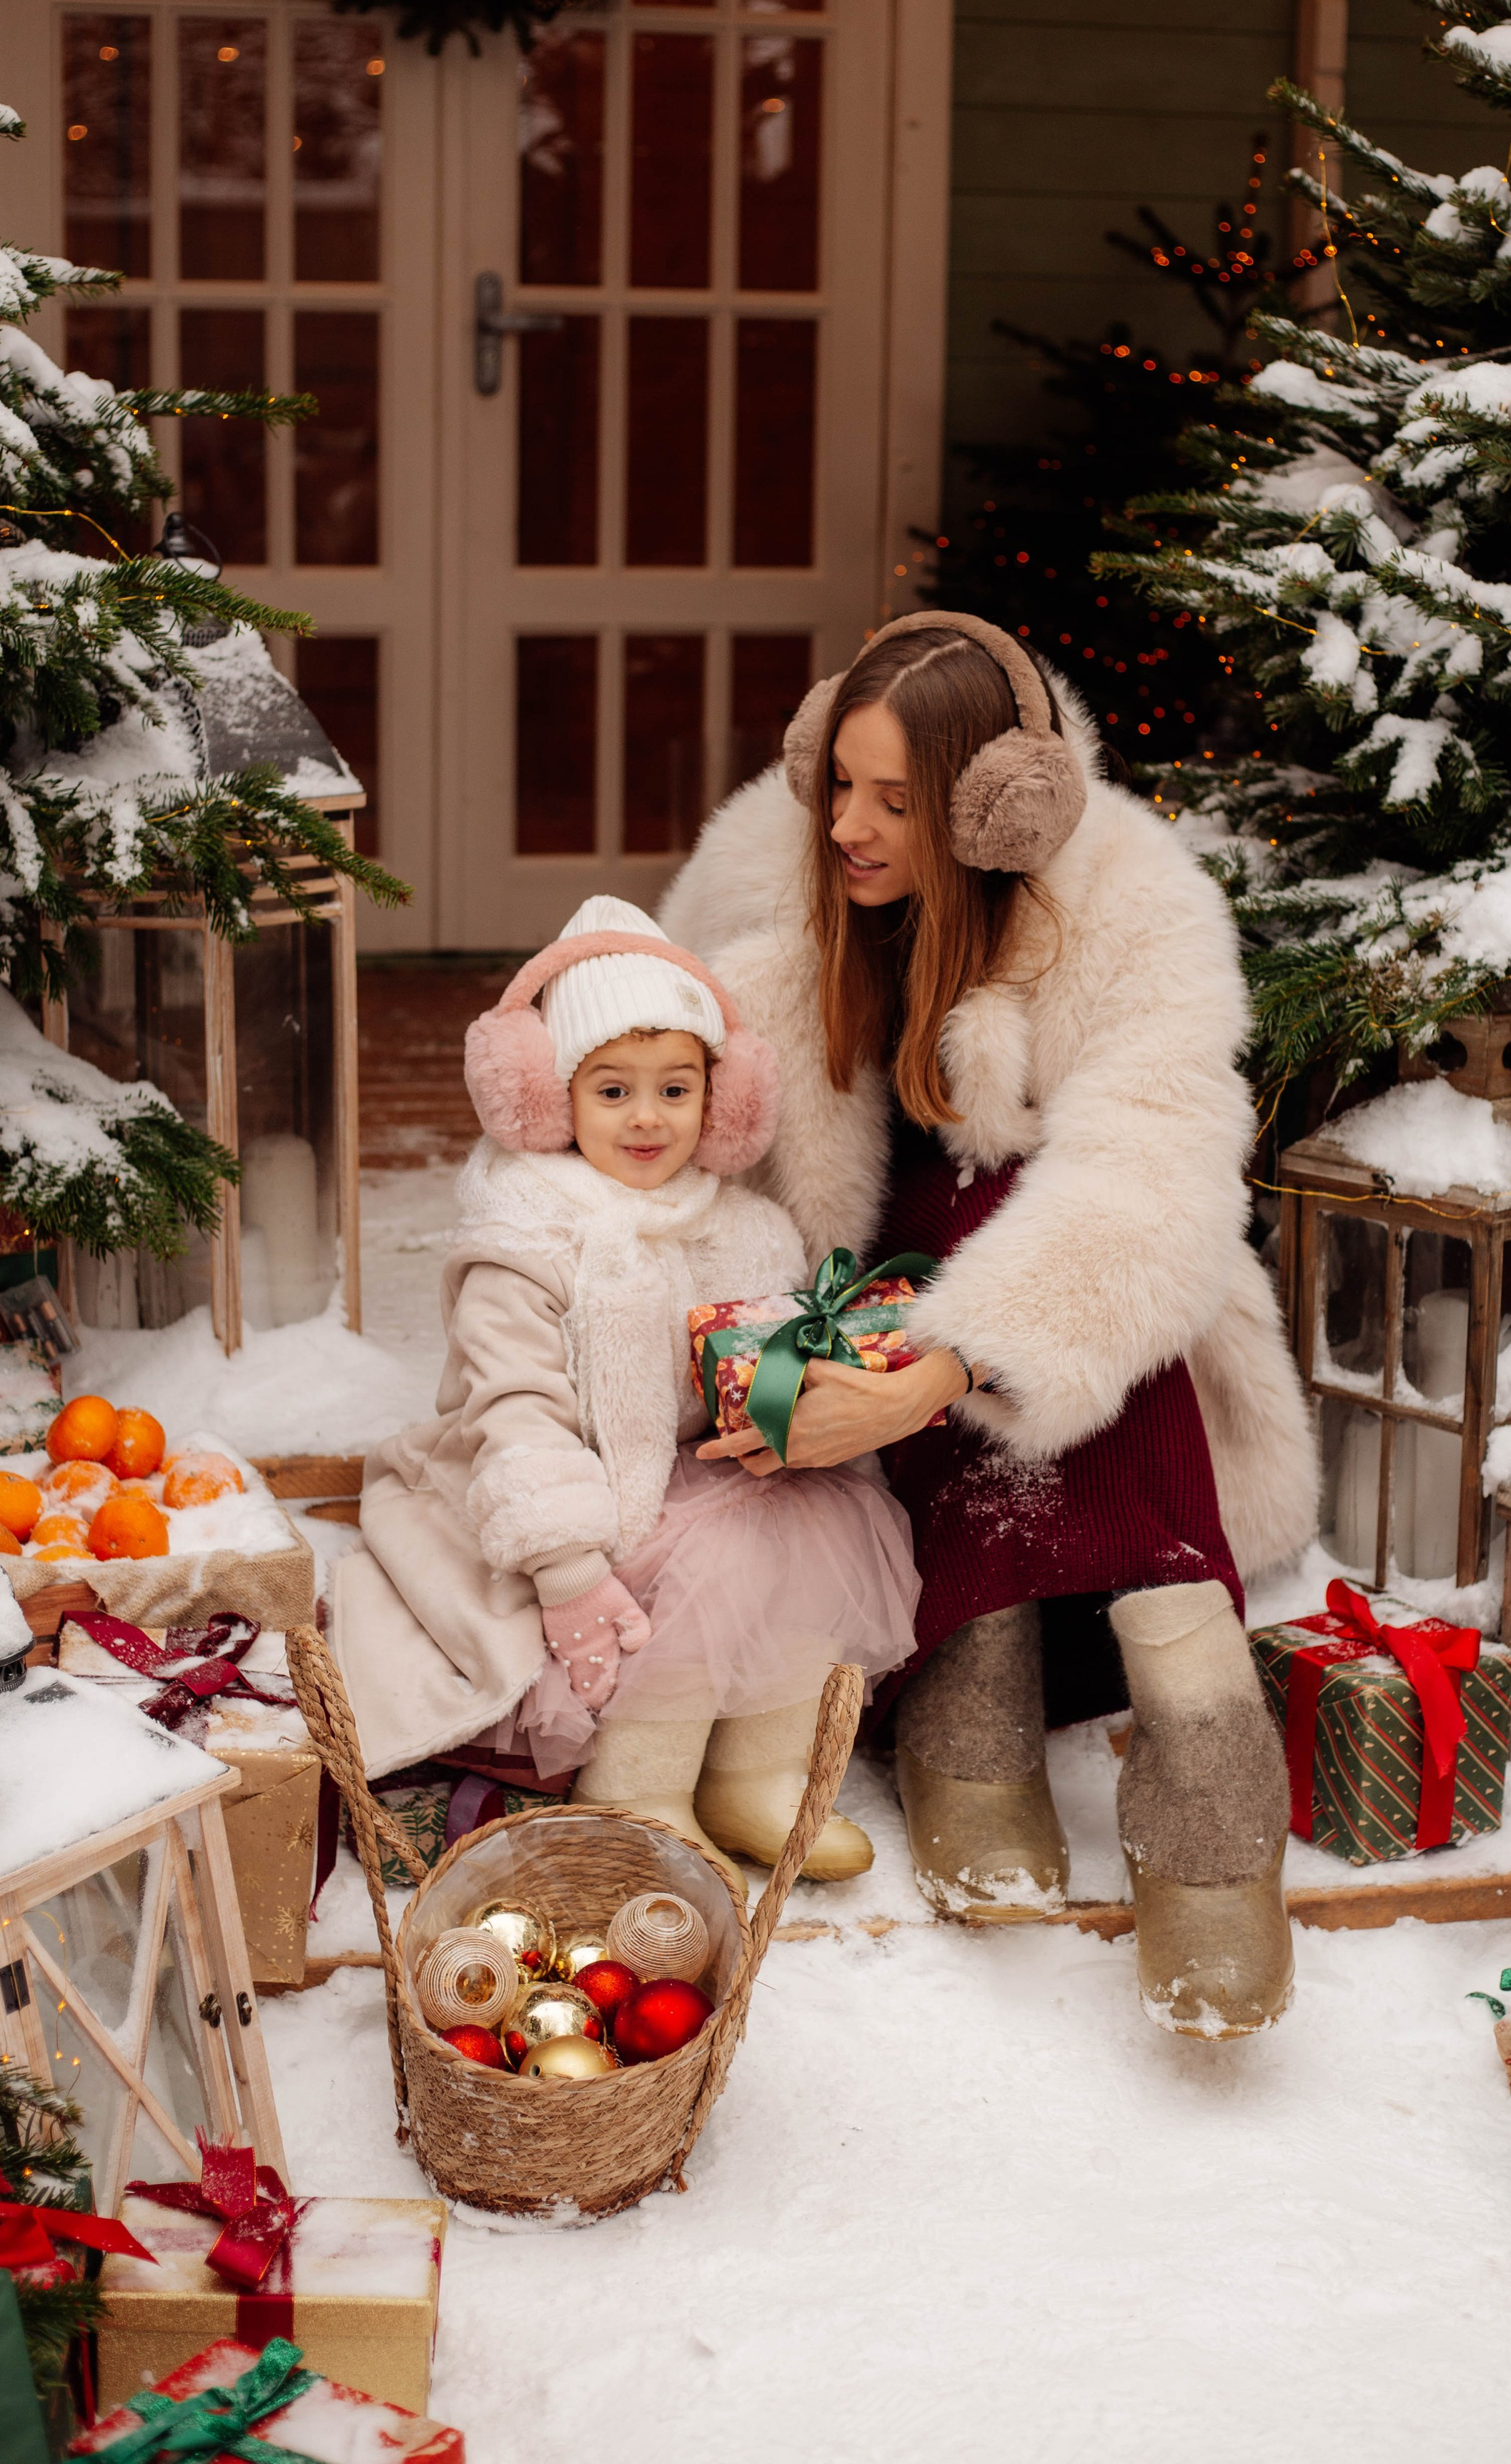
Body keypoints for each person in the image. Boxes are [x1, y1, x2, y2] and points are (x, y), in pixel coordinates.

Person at [663, 612, 1319, 2035]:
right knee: (941, 1275)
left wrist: (950, 1367)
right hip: (858, 1294)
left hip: (1068, 1318)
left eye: (893, 801)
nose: (844, 825)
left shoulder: (1131, 907)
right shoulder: (762, 883)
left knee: (1066, 1313)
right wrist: (779, 1353)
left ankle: (1197, 1724)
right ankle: (977, 1694)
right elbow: (648, 1120)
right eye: (837, 781)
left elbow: (1150, 1186)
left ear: (994, 804)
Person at [331, 895, 920, 1891]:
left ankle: (758, 1777)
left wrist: (798, 1396)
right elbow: (513, 1408)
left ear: (722, 1101)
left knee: (804, 1542)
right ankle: (640, 1792)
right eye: (611, 1092)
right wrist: (563, 1565)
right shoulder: (526, 1231)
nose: (648, 1119)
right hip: (555, 1486)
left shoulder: (746, 1225)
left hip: (695, 1473)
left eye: (676, 1090)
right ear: (550, 1098)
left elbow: (755, 1367)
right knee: (700, 1581)